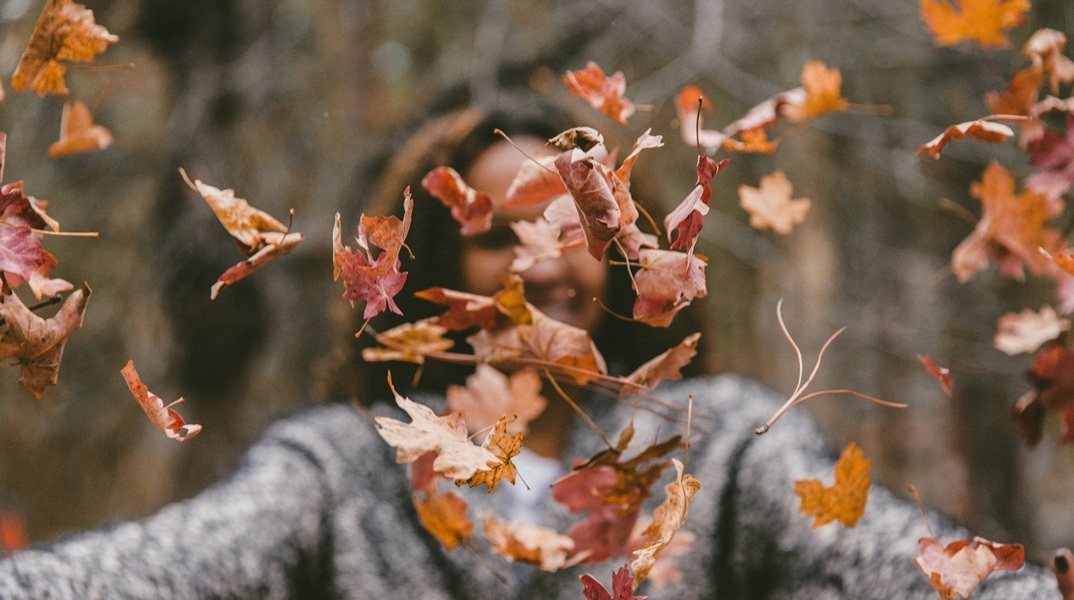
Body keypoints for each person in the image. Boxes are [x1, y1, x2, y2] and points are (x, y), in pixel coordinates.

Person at [0, 96, 1068, 599]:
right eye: (497, 228)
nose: (540, 259)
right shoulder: (341, 472)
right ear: (418, 267)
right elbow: (163, 568)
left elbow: (897, 565)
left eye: (571, 225)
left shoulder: (724, 446)